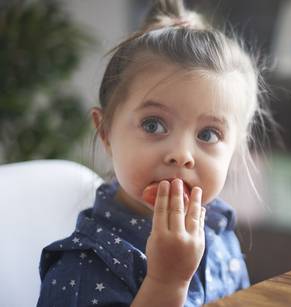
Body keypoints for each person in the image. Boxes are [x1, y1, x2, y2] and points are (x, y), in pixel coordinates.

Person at [37, 0, 272, 306]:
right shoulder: (83, 268)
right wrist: (167, 281)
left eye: (208, 134)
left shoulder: (218, 226)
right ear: (106, 131)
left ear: (236, 147)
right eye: (153, 125)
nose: (181, 154)